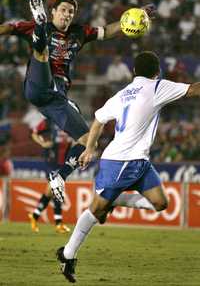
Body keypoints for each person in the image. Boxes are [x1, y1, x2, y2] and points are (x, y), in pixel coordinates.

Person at [55, 51, 200, 282]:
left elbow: (99, 120)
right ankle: (67, 254)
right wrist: (90, 149)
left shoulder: (121, 94)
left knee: (161, 203)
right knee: (96, 211)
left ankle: (116, 201)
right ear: (157, 72)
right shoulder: (156, 87)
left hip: (139, 161)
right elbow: (193, 89)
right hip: (121, 161)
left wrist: (90, 148)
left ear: (133, 71)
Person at [0, 0, 155, 202]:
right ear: (53, 11)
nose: (67, 15)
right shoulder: (33, 27)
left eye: (71, 12)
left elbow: (107, 32)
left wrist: (133, 17)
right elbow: (9, 28)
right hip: (37, 84)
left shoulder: (79, 33)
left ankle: (59, 177)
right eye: (63, 10)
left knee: (88, 140)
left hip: (56, 99)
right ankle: (40, 26)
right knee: (43, 51)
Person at [28, 115, 71, 234]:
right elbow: (34, 132)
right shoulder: (49, 121)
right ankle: (58, 223)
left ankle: (35, 215)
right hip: (51, 162)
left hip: (63, 163)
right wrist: (42, 143)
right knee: (57, 188)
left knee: (51, 191)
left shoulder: (70, 121)